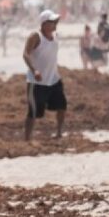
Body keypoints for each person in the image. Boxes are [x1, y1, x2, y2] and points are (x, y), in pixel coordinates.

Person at [23, 10, 67, 142]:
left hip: (54, 79)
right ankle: (27, 139)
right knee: (33, 112)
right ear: (43, 23)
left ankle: (59, 133)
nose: (55, 24)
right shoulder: (35, 36)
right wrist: (34, 70)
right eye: (52, 21)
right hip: (37, 82)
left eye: (56, 21)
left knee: (62, 106)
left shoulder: (55, 36)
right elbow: (25, 54)